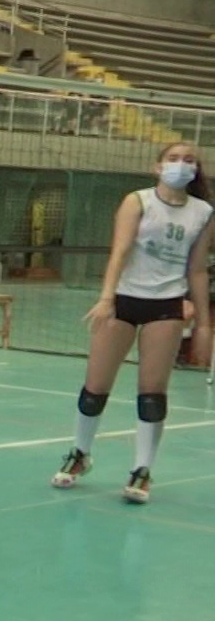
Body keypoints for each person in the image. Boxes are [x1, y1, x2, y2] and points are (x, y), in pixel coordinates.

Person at [52, 142, 215, 503]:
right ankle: (80, 453)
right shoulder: (137, 201)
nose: (181, 164)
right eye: (173, 158)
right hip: (124, 300)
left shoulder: (203, 212)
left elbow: (198, 269)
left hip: (167, 305)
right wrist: (107, 297)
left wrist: (204, 326)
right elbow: (120, 250)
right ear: (157, 167)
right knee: (95, 389)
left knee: (152, 395)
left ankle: (142, 470)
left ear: (196, 170)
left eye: (189, 160)